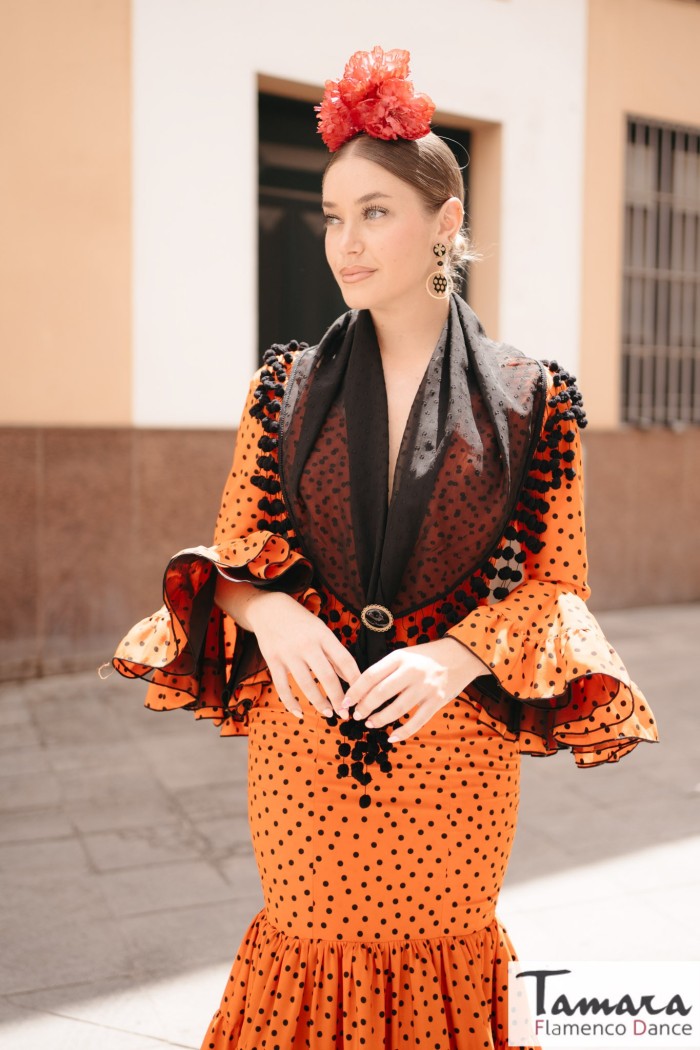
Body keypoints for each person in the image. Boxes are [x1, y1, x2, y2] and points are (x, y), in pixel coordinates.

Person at [111, 46, 658, 1050]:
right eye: (332, 215)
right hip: (304, 745)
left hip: (454, 752)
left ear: (445, 223)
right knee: (305, 954)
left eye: (375, 212)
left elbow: (555, 589)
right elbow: (235, 551)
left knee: (448, 963)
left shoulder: (534, 399)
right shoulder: (283, 388)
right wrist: (267, 610)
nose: (345, 243)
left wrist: (456, 656)